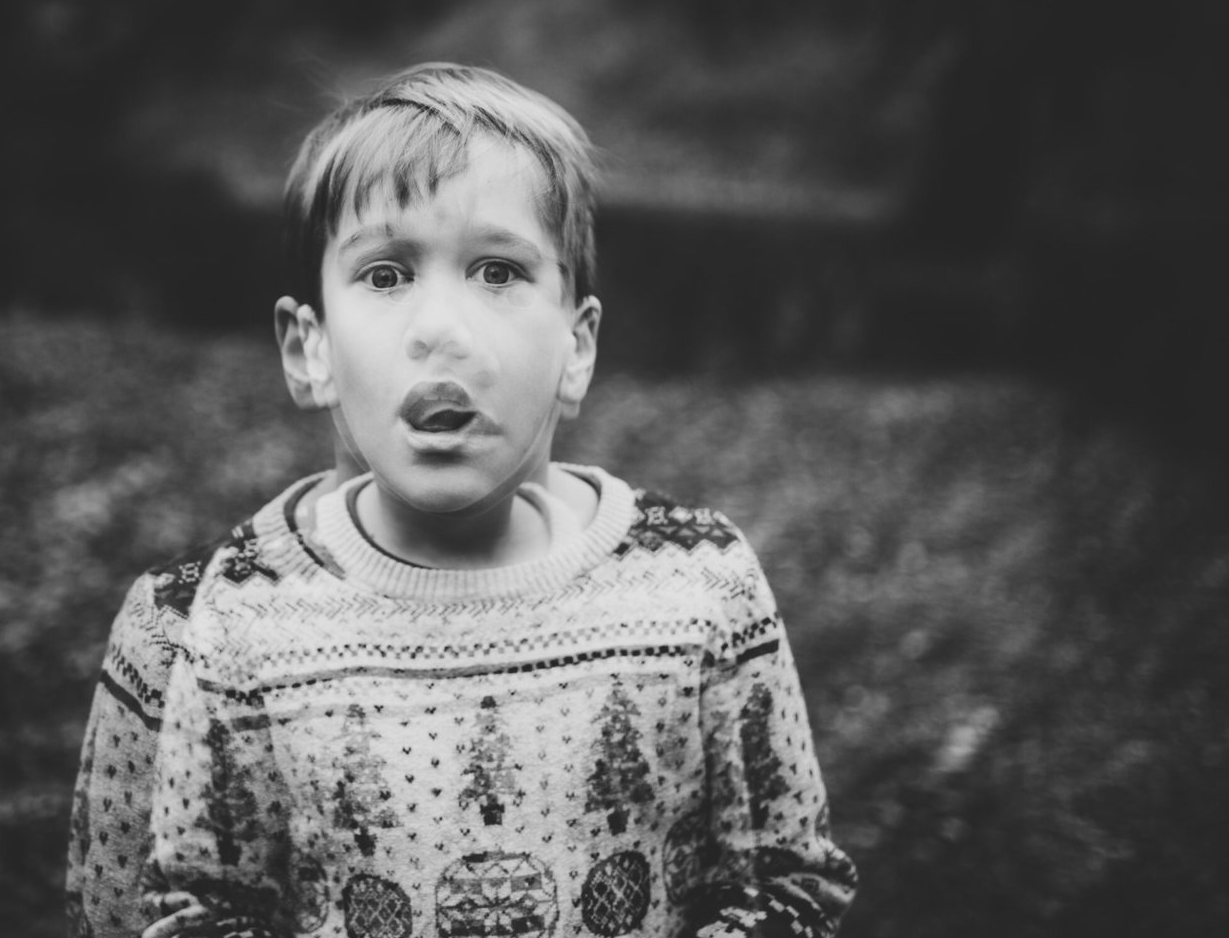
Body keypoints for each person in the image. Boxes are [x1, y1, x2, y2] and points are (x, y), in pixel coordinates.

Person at [66, 64, 856, 938]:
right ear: (309, 348)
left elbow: (786, 886)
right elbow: (160, 914)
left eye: (497, 270)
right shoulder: (217, 624)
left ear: (577, 346)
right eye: (385, 274)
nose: (441, 326)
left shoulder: (700, 589)